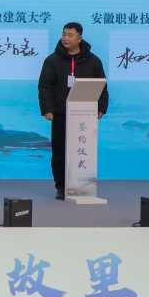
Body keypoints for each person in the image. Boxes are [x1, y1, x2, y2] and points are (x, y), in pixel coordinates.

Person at [38, 22, 108, 200]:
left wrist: (101, 108)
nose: (66, 38)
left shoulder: (93, 61)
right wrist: (47, 109)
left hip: (85, 114)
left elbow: (101, 85)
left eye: (70, 35)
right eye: (64, 34)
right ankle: (61, 186)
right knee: (60, 152)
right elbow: (45, 87)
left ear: (80, 38)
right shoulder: (52, 60)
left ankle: (83, 184)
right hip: (61, 113)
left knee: (83, 149)